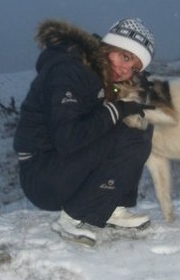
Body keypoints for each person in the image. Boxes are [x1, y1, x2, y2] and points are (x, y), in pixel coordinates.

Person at [13, 18, 156, 246]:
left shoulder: (96, 73)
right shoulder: (69, 70)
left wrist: (130, 93)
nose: (125, 70)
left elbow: (98, 108)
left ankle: (110, 207)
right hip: (42, 174)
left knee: (140, 129)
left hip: (60, 168)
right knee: (129, 136)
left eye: (134, 68)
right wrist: (117, 109)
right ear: (109, 46)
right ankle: (73, 216)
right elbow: (68, 139)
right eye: (125, 57)